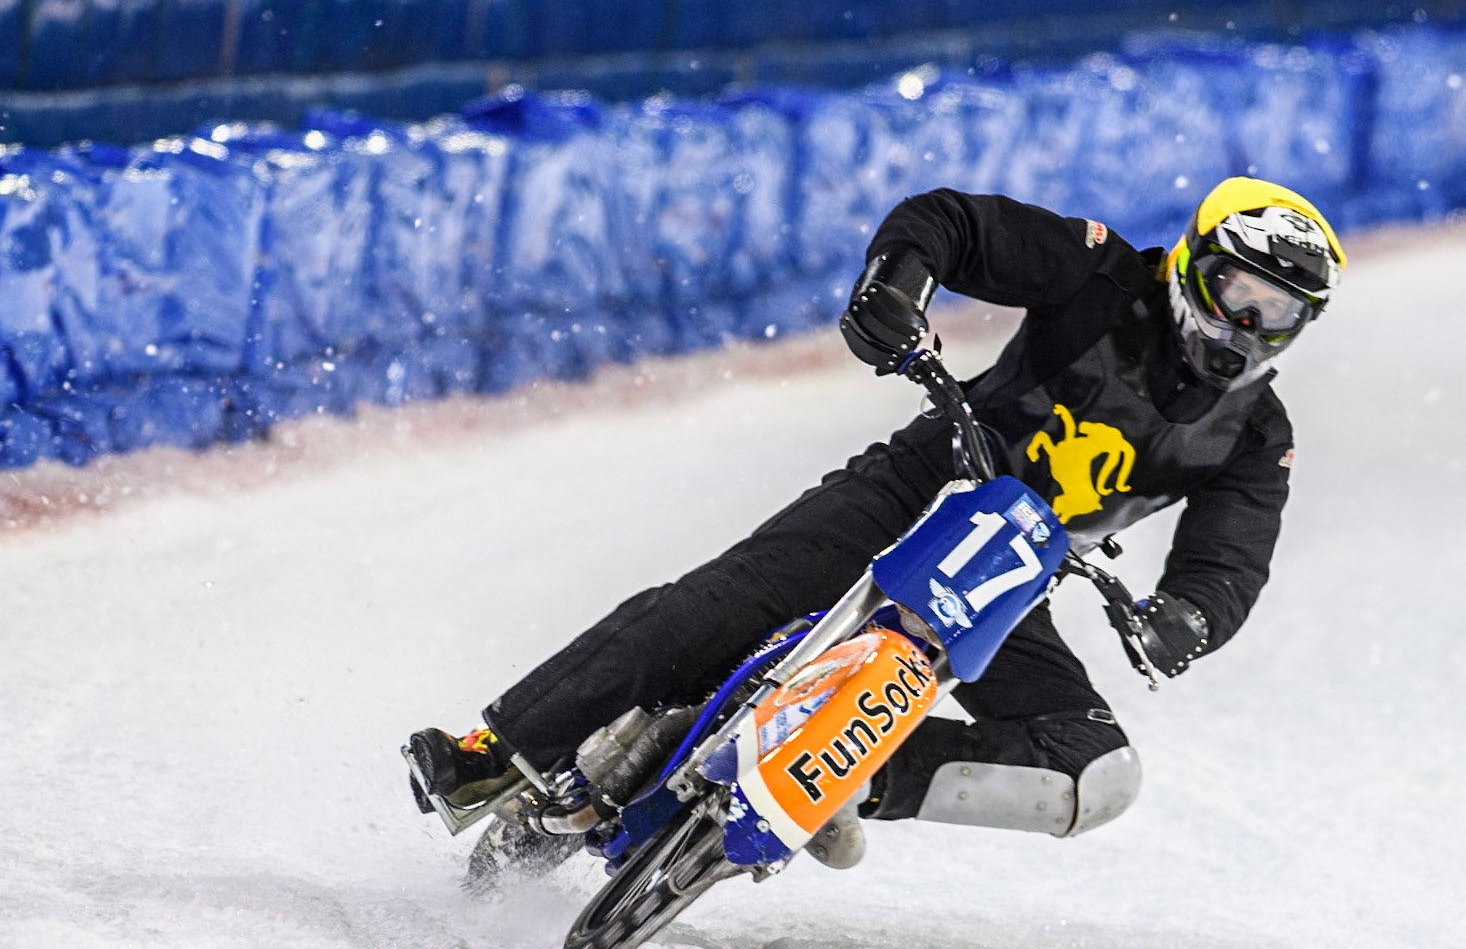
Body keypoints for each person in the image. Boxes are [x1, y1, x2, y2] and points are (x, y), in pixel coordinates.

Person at [407, 176, 1345, 864]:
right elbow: (949, 221)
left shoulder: (1255, 437)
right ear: (1191, 264)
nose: (1245, 329)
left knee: (1095, 775)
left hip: (1008, 583)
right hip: (919, 486)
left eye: (1278, 316)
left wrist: (1189, 618)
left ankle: (839, 779)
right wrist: (896, 287)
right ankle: (496, 751)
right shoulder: (1099, 274)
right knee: (720, 603)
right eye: (1237, 294)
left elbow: (1230, 562)